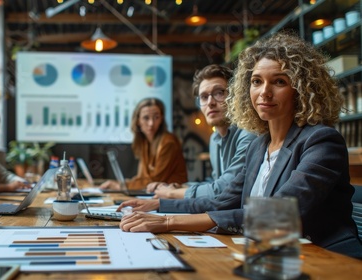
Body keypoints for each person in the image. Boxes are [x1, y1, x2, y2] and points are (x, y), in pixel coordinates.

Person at [117, 32, 362, 259]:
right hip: (273, 254)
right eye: (256, 81)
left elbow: (279, 214)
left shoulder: (321, 140)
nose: (264, 92)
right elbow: (221, 201)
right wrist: (162, 208)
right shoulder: (258, 146)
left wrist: (169, 221)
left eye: (279, 81)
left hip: (327, 257)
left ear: (300, 89)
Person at [146, 64, 256, 199]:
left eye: (219, 93)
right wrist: (180, 187)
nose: (210, 102)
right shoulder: (215, 139)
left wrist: (171, 193)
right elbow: (215, 183)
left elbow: (225, 188)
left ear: (235, 96)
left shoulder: (249, 133)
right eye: (204, 97)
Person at [99, 98, 187, 191]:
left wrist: (122, 186)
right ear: (138, 120)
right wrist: (121, 183)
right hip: (156, 194)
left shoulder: (169, 142)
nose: (151, 123)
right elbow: (142, 178)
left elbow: (154, 180)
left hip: (173, 197)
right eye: (146, 118)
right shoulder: (144, 142)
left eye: (156, 117)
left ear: (161, 119)